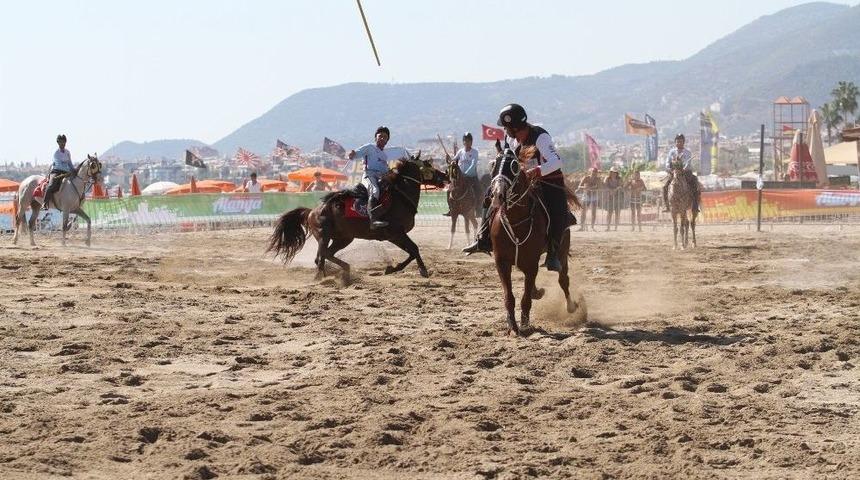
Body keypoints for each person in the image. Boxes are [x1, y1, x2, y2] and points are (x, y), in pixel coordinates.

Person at [463, 104, 573, 272]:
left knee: (559, 212)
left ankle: (553, 253)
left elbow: (557, 161)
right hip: (523, 181)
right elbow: (509, 160)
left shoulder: (540, 137)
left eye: (506, 127)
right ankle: (483, 238)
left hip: (548, 182)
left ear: (514, 127)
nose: (505, 131)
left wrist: (537, 171)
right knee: (490, 195)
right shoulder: (511, 140)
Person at [348, 126, 391, 229]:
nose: (382, 138)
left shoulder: (384, 155)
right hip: (369, 175)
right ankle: (373, 220)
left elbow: (385, 170)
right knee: (375, 190)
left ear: (387, 141)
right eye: (380, 136)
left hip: (381, 177)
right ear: (375, 137)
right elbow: (355, 155)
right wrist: (352, 154)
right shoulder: (369, 147)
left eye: (385, 137)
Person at [443, 132, 480, 216]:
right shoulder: (460, 151)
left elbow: (473, 165)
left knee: (479, 190)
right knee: (449, 190)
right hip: (459, 177)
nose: (467, 142)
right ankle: (451, 209)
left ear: (471, 142)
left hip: (471, 177)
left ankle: (478, 210)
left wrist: (466, 173)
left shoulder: (475, 152)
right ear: (463, 142)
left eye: (469, 141)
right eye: (465, 141)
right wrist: (448, 159)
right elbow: (453, 160)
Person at [662, 134, 700, 212]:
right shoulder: (671, 152)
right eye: (677, 142)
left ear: (683, 142)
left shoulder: (687, 152)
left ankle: (695, 206)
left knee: (695, 183)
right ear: (675, 142)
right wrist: (670, 169)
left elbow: (688, 164)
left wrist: (683, 169)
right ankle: (666, 206)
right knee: (665, 186)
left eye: (681, 142)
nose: (679, 143)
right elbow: (667, 162)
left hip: (685, 173)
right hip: (673, 173)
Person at [43, 134, 75, 209]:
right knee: (51, 186)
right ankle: (45, 203)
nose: (62, 144)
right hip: (57, 172)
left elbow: (69, 163)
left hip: (66, 172)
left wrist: (74, 170)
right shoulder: (56, 153)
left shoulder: (68, 152)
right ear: (58, 143)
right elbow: (60, 165)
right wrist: (68, 171)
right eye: (61, 142)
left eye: (64, 142)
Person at [604, 167, 622, 231]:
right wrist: (610, 190)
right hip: (610, 197)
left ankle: (616, 227)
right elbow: (604, 185)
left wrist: (615, 190)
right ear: (610, 172)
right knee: (609, 212)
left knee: (617, 212)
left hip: (617, 197)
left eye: (615, 172)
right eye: (612, 172)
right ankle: (608, 227)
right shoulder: (607, 178)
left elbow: (620, 185)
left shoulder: (619, 178)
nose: (614, 173)